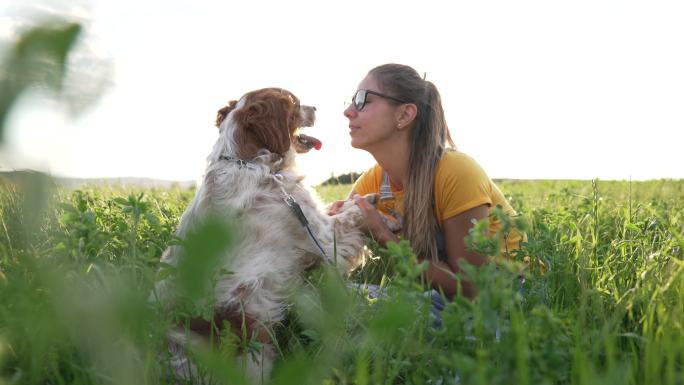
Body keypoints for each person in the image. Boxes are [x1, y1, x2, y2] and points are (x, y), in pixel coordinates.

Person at [329, 63, 526, 301]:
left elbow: (473, 287)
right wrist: (336, 222)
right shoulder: (371, 183)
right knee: (329, 299)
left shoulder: (456, 171)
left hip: (505, 295)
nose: (349, 111)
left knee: (374, 312)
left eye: (362, 100)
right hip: (433, 294)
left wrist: (382, 233)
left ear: (404, 114)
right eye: (351, 101)